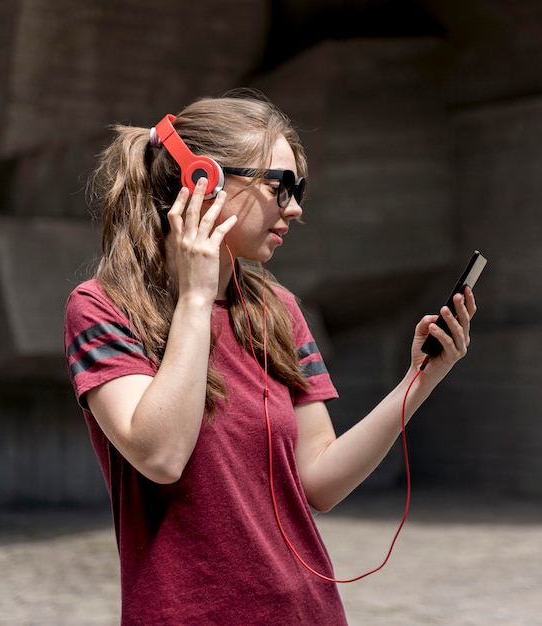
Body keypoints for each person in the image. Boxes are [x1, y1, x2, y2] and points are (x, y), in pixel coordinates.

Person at [64, 90, 476, 625]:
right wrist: (195, 297)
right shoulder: (101, 308)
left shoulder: (275, 310)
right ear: (202, 181)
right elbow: (161, 455)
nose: (296, 208)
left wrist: (420, 379)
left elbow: (320, 482)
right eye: (280, 187)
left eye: (299, 189)